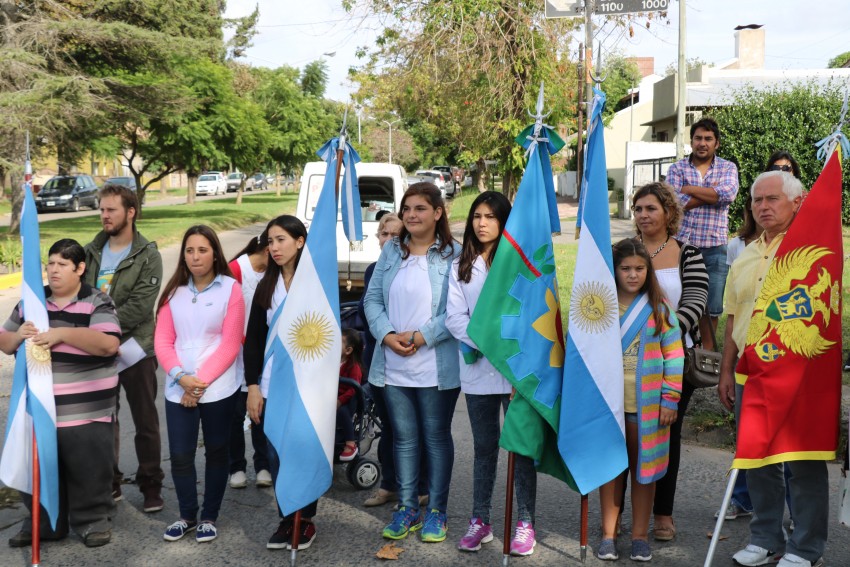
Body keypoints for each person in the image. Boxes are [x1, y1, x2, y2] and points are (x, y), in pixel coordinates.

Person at [719, 171, 827, 567]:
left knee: (802, 462)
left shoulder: (811, 248)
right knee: (756, 459)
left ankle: (806, 547)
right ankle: (766, 538)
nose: (762, 207)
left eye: (772, 200)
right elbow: (733, 318)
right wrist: (726, 371)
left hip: (796, 372)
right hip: (751, 373)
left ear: (797, 203)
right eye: (756, 200)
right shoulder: (744, 253)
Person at [2, 239, 121, 548]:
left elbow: (109, 344)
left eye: (61, 265)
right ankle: (46, 524)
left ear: (79, 269)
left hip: (86, 409)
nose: (53, 270)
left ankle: (92, 521)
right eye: (50, 263)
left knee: (89, 469)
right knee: (39, 471)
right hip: (39, 409)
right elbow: (4, 339)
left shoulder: (97, 301)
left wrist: (62, 334)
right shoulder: (32, 301)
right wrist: (17, 336)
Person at [364, 182, 461, 543]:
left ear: (437, 213)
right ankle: (406, 507)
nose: (411, 215)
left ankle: (436, 510)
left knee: (435, 438)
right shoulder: (392, 251)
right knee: (403, 439)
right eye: (406, 209)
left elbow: (457, 309)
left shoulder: (454, 254)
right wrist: (388, 335)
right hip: (392, 363)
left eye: (420, 208)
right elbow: (372, 300)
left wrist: (420, 337)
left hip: (435, 364)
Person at [445, 191, 539, 556]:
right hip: (479, 372)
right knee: (484, 449)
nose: (481, 223)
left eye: (490, 216)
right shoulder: (460, 265)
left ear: (504, 221)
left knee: (520, 450)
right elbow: (455, 317)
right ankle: (480, 520)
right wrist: (487, 343)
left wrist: (506, 354)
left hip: (516, 372)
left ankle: (525, 522)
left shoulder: (517, 264)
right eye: (476, 216)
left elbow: (529, 316)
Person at [154, 225, 245, 544]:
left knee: (217, 452)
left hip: (218, 388)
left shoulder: (231, 289)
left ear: (215, 253)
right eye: (189, 250)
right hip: (179, 386)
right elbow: (163, 340)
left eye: (202, 250)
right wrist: (183, 378)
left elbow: (231, 342)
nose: (195, 256)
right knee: (180, 454)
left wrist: (200, 383)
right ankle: (187, 516)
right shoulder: (172, 292)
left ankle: (209, 517)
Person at [630, 182, 709, 543]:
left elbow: (695, 299)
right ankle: (623, 515)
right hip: (627, 362)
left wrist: (664, 335)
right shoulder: (623, 253)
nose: (644, 215)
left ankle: (662, 514)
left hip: (674, 358)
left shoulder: (687, 253)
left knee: (666, 435)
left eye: (651, 208)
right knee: (626, 436)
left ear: (668, 213)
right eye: (638, 209)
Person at [597, 239, 684, 563]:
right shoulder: (599, 306)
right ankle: (608, 534)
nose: (632, 275)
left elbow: (674, 355)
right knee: (611, 471)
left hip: (646, 408)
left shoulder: (659, 308)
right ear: (614, 270)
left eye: (639, 268)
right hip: (609, 406)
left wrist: (670, 399)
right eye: (625, 269)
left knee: (643, 474)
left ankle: (639, 536)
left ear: (648, 271)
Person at [83, 183, 164, 512]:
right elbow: (79, 296)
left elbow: (140, 307)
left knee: (145, 421)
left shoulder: (148, 255)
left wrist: (99, 327)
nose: (104, 215)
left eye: (111, 209)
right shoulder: (90, 252)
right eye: (101, 209)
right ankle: (110, 482)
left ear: (130, 212)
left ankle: (150, 485)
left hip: (136, 349)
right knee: (103, 420)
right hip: (97, 350)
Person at [243, 215, 319, 551]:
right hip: (271, 386)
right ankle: (287, 517)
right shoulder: (266, 287)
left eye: (281, 240)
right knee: (275, 456)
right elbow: (255, 341)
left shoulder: (316, 286)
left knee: (302, 454)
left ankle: (305, 520)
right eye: (269, 242)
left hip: (306, 388)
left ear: (300, 241)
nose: (273, 248)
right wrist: (253, 387)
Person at [359, 213, 429, 508]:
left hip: (415, 354)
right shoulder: (374, 269)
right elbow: (367, 311)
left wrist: (407, 336)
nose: (387, 239)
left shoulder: (416, 268)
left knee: (419, 428)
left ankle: (422, 487)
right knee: (389, 426)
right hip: (379, 357)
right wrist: (388, 335)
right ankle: (389, 484)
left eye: (394, 234)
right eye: (383, 234)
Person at [665, 117, 739, 329]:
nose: (702, 143)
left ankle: (707, 355)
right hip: (681, 247)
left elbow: (728, 194)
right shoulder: (677, 169)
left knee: (712, 308)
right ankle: (680, 350)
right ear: (691, 141)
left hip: (715, 249)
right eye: (698, 138)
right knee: (678, 302)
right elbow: (673, 203)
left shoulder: (728, 168)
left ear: (717, 143)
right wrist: (712, 194)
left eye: (708, 138)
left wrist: (689, 189)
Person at [227, 234, 272, 490]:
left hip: (259, 352)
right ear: (266, 249)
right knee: (235, 414)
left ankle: (263, 465)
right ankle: (236, 467)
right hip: (235, 354)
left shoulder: (271, 274)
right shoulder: (236, 269)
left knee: (260, 411)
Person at [338, 328, 364, 461]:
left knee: (342, 412)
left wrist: (340, 401)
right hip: (333, 396)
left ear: (348, 350)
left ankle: (350, 443)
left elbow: (353, 390)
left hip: (347, 401)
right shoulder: (333, 361)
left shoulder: (353, 367)